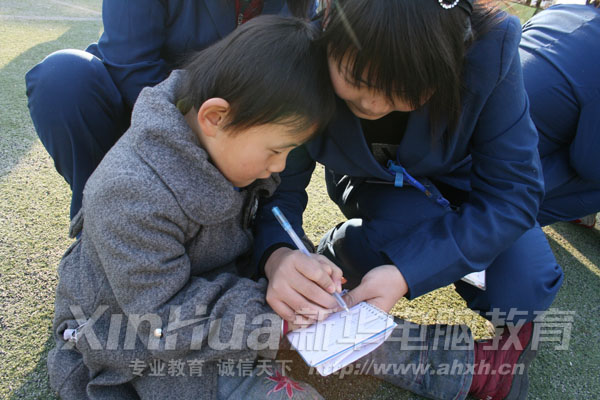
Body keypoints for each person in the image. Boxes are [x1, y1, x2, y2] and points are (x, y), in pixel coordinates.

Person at [254, 1, 564, 398]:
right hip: (372, 182)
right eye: (355, 79)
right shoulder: (302, 47)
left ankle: (365, 251)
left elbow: (513, 195)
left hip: (464, 181)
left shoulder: (490, 48)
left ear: (454, 56)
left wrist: (407, 271)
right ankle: (349, 249)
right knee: (400, 231)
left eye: (403, 91)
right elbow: (279, 188)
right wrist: (278, 253)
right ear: (329, 20)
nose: (372, 105)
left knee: (524, 285)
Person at [47, 16, 338, 399]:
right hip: (129, 338)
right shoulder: (131, 194)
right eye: (276, 150)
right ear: (215, 117)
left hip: (216, 308)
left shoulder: (225, 146)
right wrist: (273, 316)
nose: (280, 166)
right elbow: (164, 320)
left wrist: (290, 267)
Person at [25, 0, 315, 220]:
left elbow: (295, 105)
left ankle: (236, 227)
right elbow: (132, 69)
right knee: (62, 79)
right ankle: (101, 217)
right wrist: (196, 151)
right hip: (147, 116)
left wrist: (276, 244)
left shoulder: (304, 9)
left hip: (238, 138)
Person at [519, 2, 600, 228]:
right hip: (478, 175)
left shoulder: (562, 10)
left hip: (447, 143)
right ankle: (504, 224)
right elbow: (590, 167)